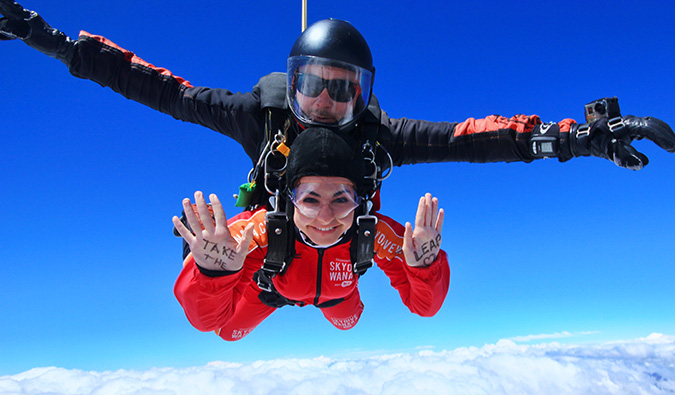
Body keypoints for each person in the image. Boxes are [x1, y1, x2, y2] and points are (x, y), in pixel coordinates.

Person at [2, 0, 674, 182]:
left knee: (346, 308)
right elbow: (154, 87)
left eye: (341, 90)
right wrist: (44, 36)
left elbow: (477, 140)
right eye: (310, 87)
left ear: (364, 96)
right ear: (288, 87)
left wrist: (577, 138)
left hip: (347, 247)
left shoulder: (379, 139)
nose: (324, 103)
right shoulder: (254, 119)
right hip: (273, 236)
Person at [172, 128, 450, 340]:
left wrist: (425, 268)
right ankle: (210, 255)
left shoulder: (372, 231)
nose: (326, 217)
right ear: (290, 199)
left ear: (360, 201)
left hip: (336, 294)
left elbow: (424, 307)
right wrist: (212, 274)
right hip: (268, 287)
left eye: (342, 199)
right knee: (225, 333)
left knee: (349, 324)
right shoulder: (259, 231)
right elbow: (206, 321)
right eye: (310, 200)